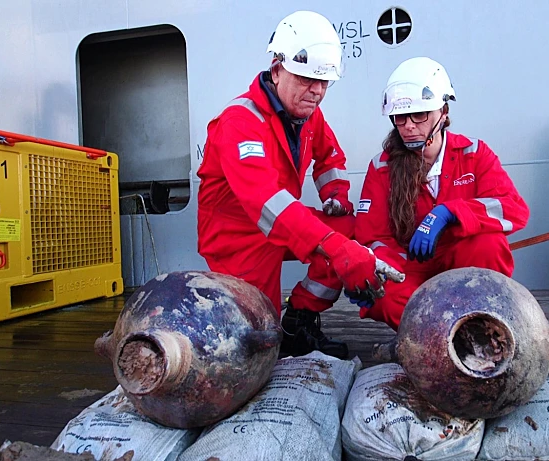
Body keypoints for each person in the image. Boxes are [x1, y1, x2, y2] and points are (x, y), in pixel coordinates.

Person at [197, 11, 401, 359]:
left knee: (349, 228)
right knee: (257, 338)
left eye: (324, 82)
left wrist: (335, 196)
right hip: (238, 238)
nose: (318, 91)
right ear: (277, 69)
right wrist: (338, 250)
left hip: (283, 222)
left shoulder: (307, 114)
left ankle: (300, 320)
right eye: (307, 79)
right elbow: (267, 203)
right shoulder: (238, 123)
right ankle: (273, 331)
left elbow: (330, 156)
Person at [352, 57, 530, 331]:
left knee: (489, 244)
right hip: (410, 267)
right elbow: (371, 236)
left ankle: (478, 324)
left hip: (462, 262)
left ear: (443, 112)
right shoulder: (382, 166)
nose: (409, 125)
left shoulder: (474, 154)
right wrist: (384, 270)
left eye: (420, 115)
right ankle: (450, 337)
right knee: (384, 296)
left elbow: (513, 210)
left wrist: (449, 213)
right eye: (400, 117)